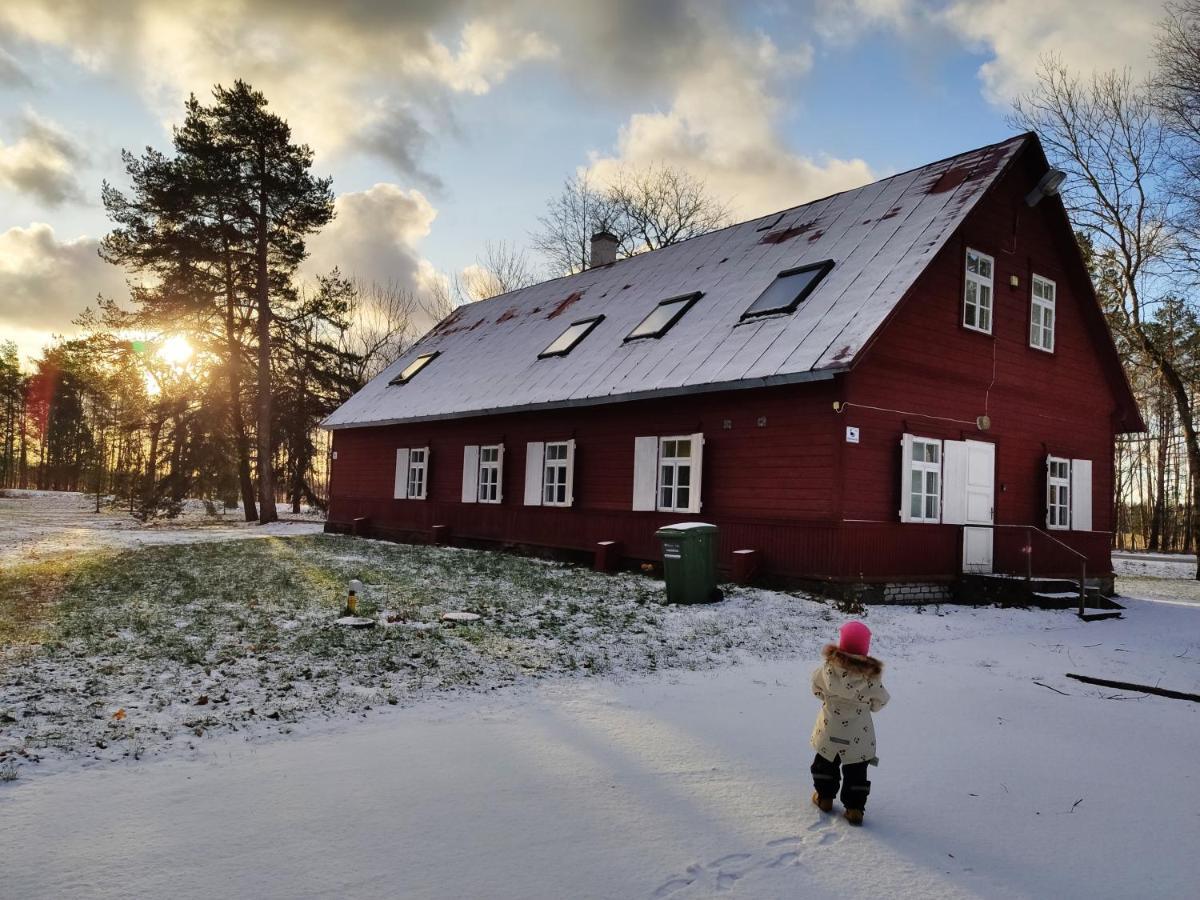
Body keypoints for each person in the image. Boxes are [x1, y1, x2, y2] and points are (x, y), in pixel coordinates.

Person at [809, 620, 889, 826]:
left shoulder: (827, 670)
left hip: (829, 727)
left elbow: (816, 689)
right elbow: (879, 702)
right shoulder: (871, 678)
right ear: (865, 647)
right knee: (856, 771)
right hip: (858, 734)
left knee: (825, 764)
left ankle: (824, 798)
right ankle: (854, 809)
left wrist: (829, 696)